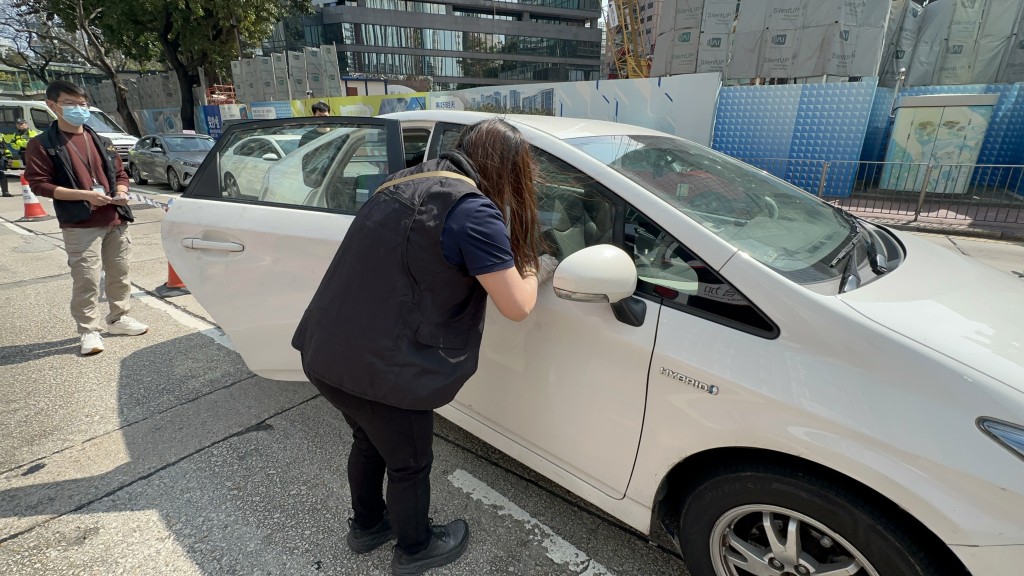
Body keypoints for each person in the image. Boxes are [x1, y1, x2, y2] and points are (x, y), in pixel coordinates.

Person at [292, 118, 558, 576]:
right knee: (410, 462)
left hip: (327, 351)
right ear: (507, 169)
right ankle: (416, 549)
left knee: (369, 440)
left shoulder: (407, 180)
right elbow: (516, 306)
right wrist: (537, 266)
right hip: (383, 371)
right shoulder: (473, 211)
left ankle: (368, 526)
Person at [24, 80, 149, 356]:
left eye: (82, 104)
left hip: (114, 217)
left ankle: (118, 318)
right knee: (87, 279)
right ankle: (88, 330)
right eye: (70, 104)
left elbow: (121, 174)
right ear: (52, 106)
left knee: (120, 273)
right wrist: (83, 195)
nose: (79, 109)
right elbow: (39, 184)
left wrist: (121, 190)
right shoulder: (43, 144)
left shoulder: (101, 140)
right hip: (80, 223)